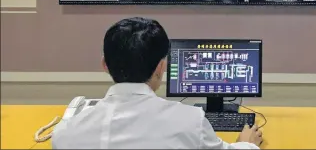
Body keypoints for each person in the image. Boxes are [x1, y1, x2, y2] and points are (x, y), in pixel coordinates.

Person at [52, 17, 263, 149]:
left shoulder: (66, 133)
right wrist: (247, 144)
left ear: (105, 65)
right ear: (161, 68)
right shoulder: (190, 122)